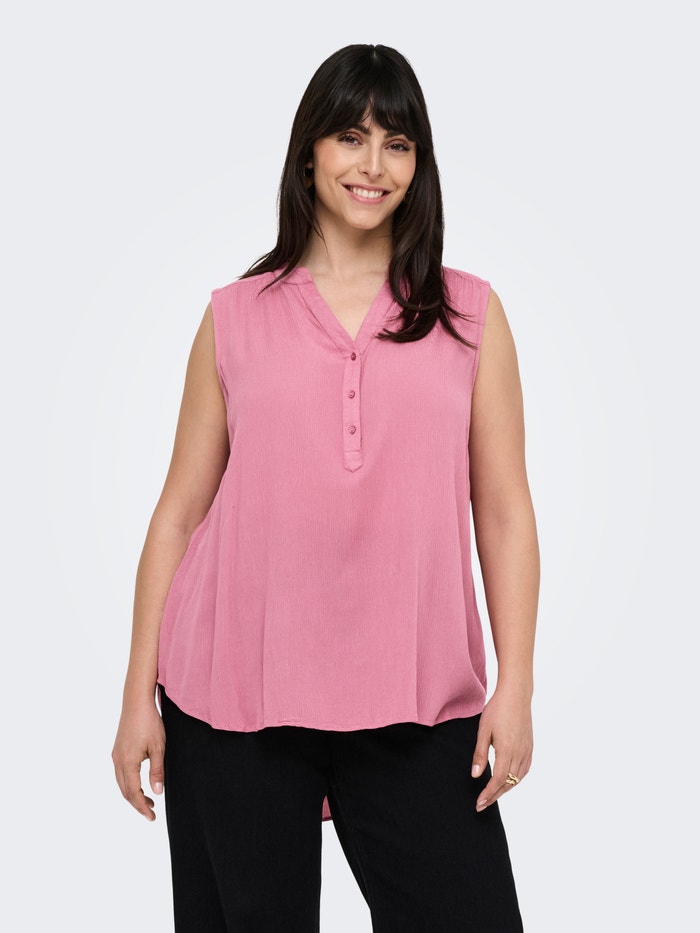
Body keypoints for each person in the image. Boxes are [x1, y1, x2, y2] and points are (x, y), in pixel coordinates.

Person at [112, 43, 539, 932]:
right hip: (234, 698)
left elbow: (503, 511)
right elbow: (180, 512)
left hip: (418, 702)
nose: (373, 164)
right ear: (309, 152)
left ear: (419, 164)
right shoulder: (234, 316)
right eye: (351, 137)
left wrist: (517, 685)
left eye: (397, 143)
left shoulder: (470, 315)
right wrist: (134, 697)